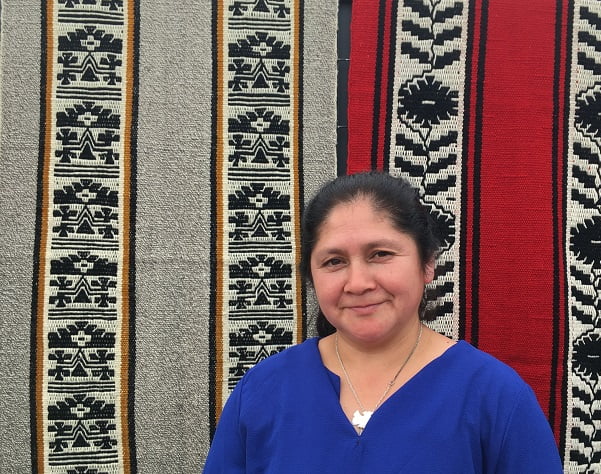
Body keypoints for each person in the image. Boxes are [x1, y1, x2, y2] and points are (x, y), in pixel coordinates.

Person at [203, 171, 562, 473]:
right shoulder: (262, 391)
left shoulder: (495, 397)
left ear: (427, 264)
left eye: (380, 254)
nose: (358, 283)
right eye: (334, 261)